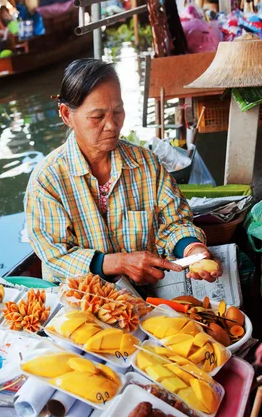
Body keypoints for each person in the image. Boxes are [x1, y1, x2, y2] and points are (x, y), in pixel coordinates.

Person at [24, 58, 222, 286]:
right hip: (84, 301)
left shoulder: (146, 164)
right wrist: (117, 263)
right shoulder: (48, 180)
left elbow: (175, 222)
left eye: (118, 111)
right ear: (67, 115)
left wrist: (192, 248)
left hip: (151, 293)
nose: (111, 125)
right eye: (97, 116)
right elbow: (56, 255)